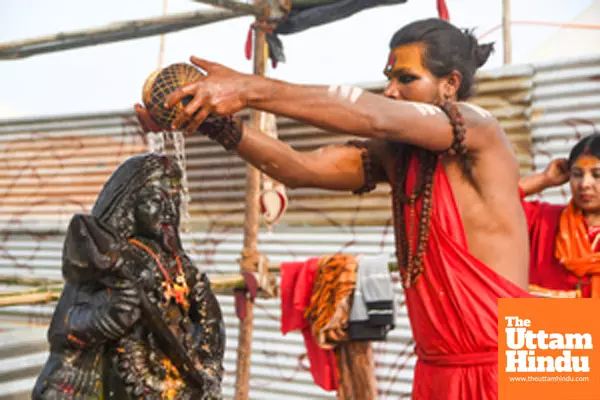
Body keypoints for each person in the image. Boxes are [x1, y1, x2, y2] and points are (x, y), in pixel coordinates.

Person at [136, 18, 531, 400]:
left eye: (407, 79)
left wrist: (249, 88)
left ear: (451, 84)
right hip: (441, 367)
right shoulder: (400, 157)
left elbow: (375, 115)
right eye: (389, 79)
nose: (391, 91)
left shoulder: (480, 127)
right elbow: (299, 168)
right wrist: (214, 124)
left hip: (520, 353)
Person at [33, 154, 225, 400]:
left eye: (175, 200)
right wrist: (110, 315)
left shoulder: (181, 265)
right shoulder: (109, 262)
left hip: (180, 383)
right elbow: (64, 328)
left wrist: (208, 369)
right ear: (130, 205)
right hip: (124, 382)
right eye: (155, 201)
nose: (169, 210)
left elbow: (210, 322)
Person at [520, 133, 600, 299]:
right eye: (577, 174)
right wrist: (544, 179)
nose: (584, 184)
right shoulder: (543, 220)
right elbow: (489, 203)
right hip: (541, 324)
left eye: (597, 175)